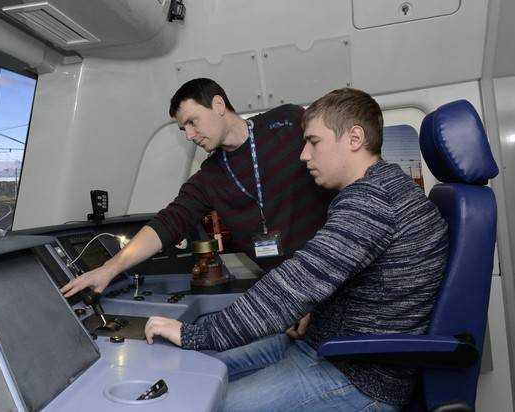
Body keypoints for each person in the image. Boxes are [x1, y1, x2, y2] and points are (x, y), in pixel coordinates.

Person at [143, 88, 449, 411]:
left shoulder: (374, 202)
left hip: (358, 374)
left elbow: (293, 286)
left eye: (313, 142)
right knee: (197, 370)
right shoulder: (378, 187)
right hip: (324, 344)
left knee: (207, 405)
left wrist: (194, 334)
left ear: (354, 138)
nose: (303, 154)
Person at [61, 78, 333, 299]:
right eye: (183, 129)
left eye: (192, 121)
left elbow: (342, 159)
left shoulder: (287, 121)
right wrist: (109, 268)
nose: (190, 135)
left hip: (331, 268)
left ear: (218, 104)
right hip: (286, 290)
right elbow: (169, 222)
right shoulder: (210, 177)